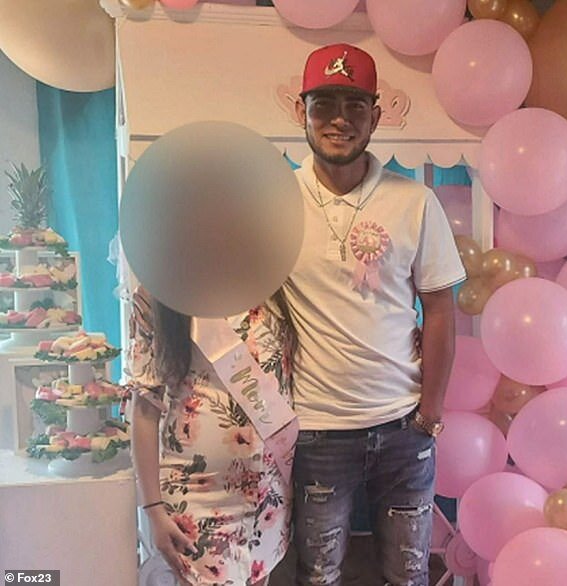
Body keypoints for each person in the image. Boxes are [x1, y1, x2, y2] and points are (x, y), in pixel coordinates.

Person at [283, 43, 467, 586]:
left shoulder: (414, 201)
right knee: (318, 576)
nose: (339, 119)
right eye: (324, 104)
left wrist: (430, 412)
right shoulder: (275, 200)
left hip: (404, 427)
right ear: (301, 111)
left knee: (408, 575)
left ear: (376, 116)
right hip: (316, 431)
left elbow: (440, 308)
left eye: (355, 105)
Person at [127, 287, 296, 586]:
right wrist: (153, 510)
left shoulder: (272, 282)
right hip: (197, 498)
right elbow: (144, 410)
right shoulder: (158, 290)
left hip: (267, 496)